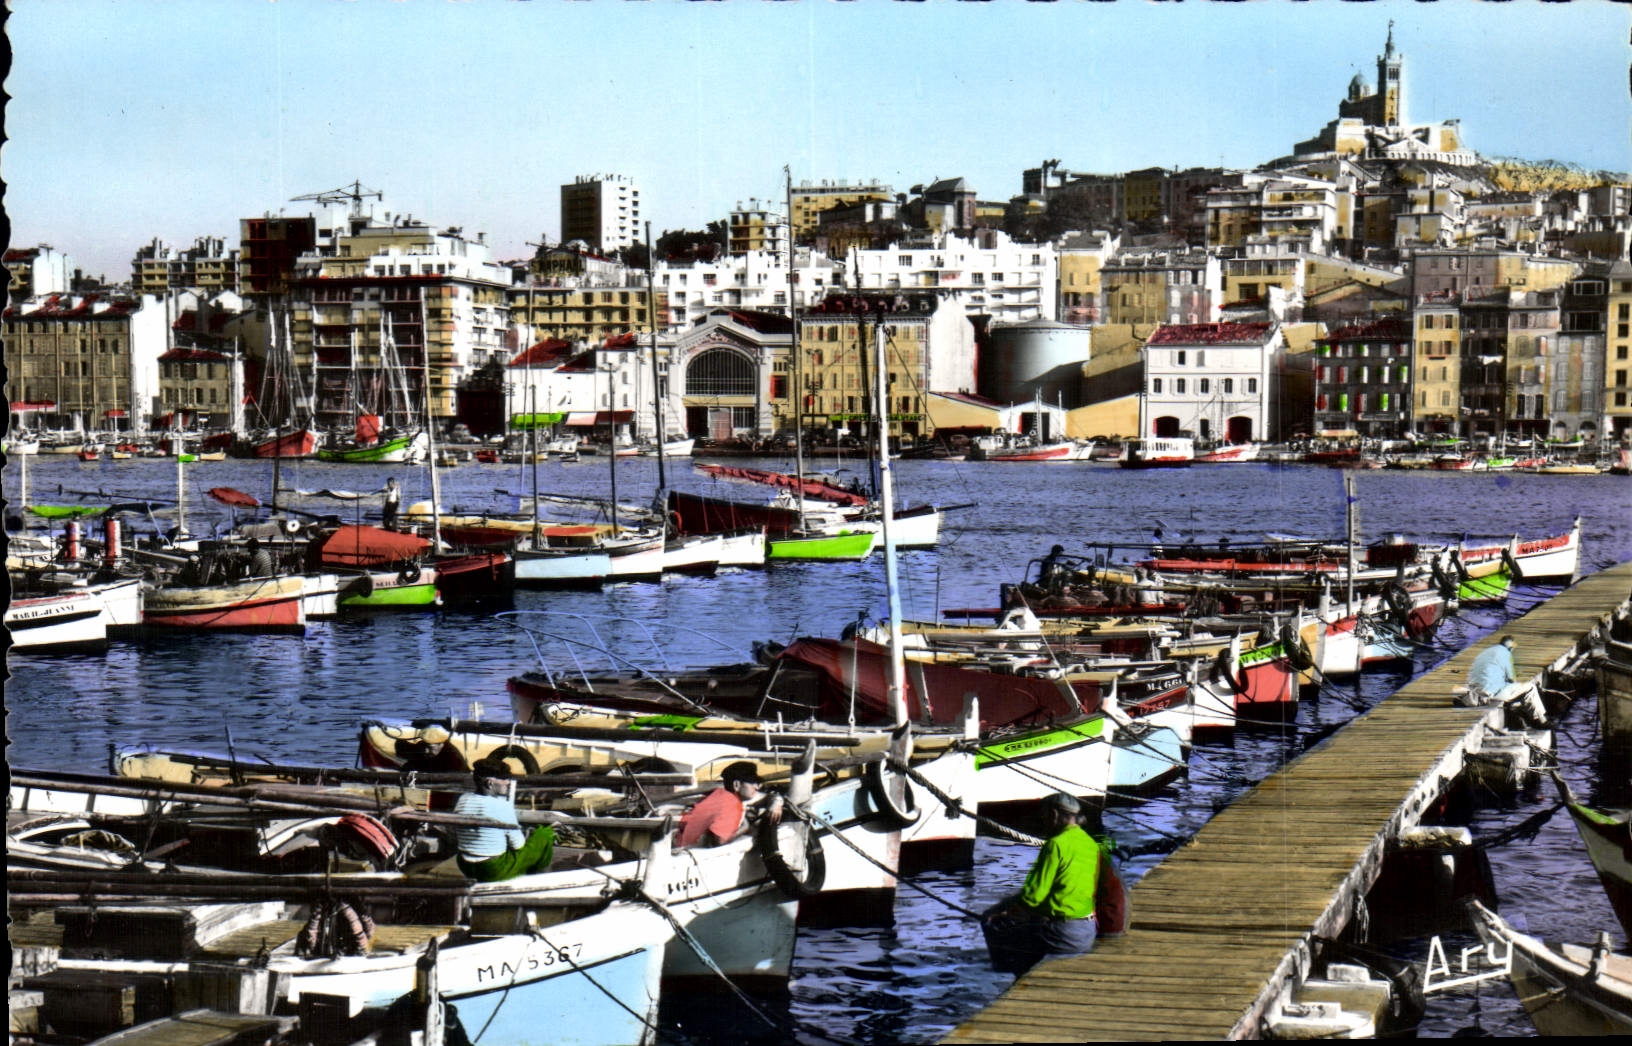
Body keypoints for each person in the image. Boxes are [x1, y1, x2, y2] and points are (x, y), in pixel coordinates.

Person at [981, 792, 1100, 974]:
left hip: (1062, 933)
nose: (1042, 821)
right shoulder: (1089, 842)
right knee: (1022, 920)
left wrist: (1002, 913)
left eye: (1043, 816)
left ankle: (1010, 974)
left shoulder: (1056, 844)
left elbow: (1033, 896)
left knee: (993, 925)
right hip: (1087, 930)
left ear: (1053, 814)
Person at [452, 758, 555, 882]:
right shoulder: (502, 806)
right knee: (544, 835)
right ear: (490, 783)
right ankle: (538, 878)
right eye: (504, 778)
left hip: (465, 865)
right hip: (492, 869)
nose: (508, 782)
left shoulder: (463, 799)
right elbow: (518, 845)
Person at [676, 761, 783, 848]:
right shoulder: (729, 803)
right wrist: (745, 827)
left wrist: (776, 804)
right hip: (690, 851)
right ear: (736, 785)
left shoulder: (729, 797)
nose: (757, 787)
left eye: (757, 783)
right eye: (752, 783)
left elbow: (769, 797)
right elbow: (719, 840)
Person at [1461, 635, 1547, 726]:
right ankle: (1541, 720)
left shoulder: (1486, 653)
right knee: (1530, 687)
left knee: (1514, 690)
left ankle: (1520, 711)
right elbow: (1512, 679)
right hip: (1488, 693)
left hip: (1474, 689)